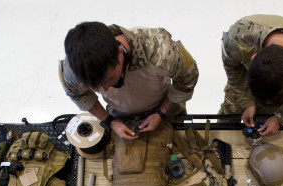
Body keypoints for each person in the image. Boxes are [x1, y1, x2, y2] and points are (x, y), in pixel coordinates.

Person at [60, 22, 199, 140]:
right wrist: (110, 122)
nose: (106, 89)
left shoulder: (161, 51)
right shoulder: (74, 69)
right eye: (97, 86)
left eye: (110, 79)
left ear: (120, 53)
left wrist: (161, 113)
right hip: (120, 115)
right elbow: (77, 94)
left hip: (165, 107)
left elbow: (188, 79)